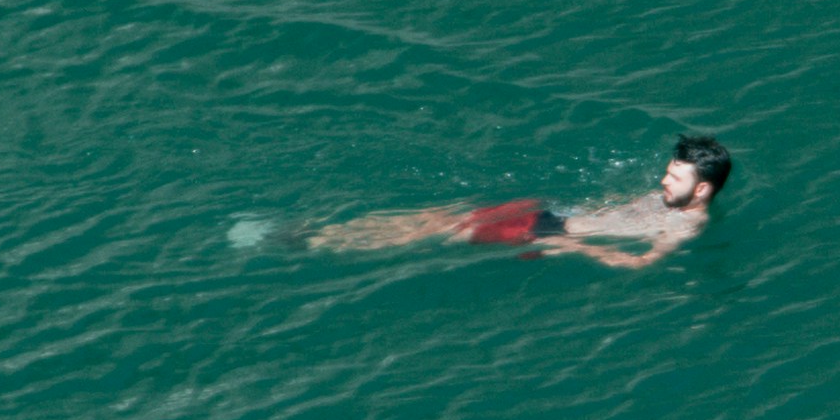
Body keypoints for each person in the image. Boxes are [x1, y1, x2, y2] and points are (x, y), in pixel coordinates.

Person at [304, 138, 731, 273]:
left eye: (674, 177)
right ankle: (327, 234)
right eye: (667, 170)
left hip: (546, 232)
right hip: (551, 213)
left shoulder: (684, 228)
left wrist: (574, 248)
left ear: (702, 192)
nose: (662, 180)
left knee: (439, 230)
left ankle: (319, 242)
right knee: (436, 220)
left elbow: (639, 263)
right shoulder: (667, 201)